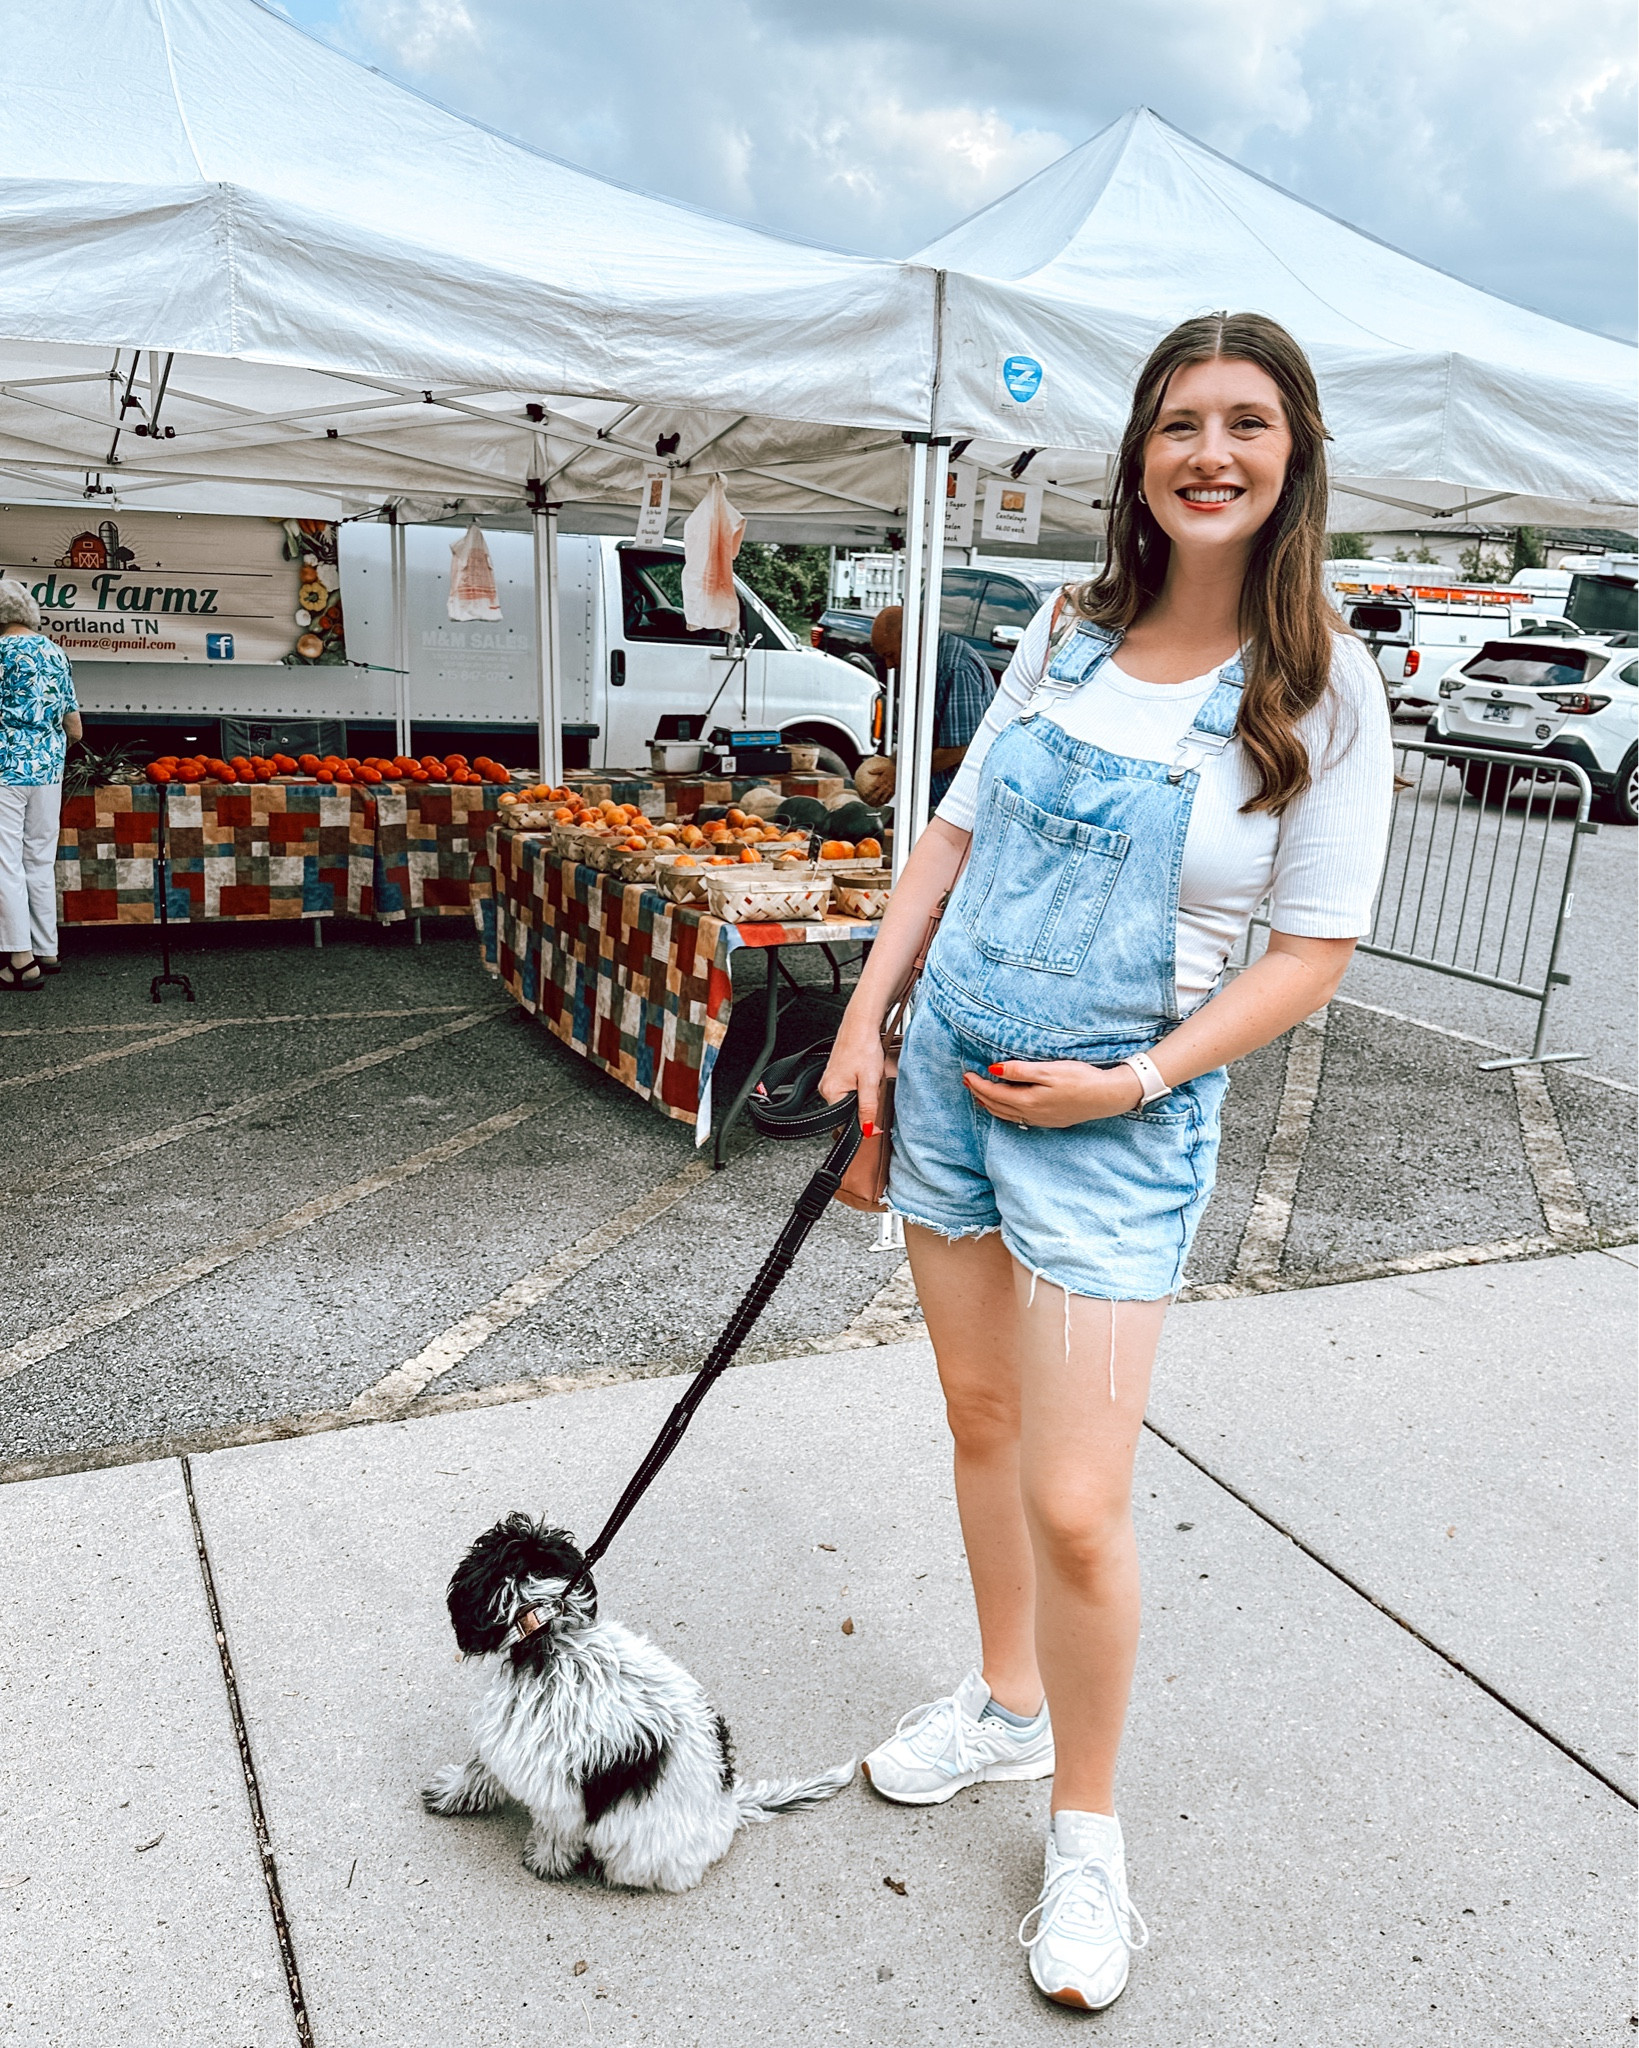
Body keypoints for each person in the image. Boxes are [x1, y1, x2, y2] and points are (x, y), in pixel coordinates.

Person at [822, 313, 1391, 2011]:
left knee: (1078, 1496)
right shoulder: (1066, 628)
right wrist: (863, 1024)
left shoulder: (1321, 685)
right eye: (1176, 423)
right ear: (1137, 454)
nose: (1206, 453)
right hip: (946, 1074)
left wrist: (1135, 1073)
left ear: (1291, 455)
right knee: (979, 1426)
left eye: (1243, 422)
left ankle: (1085, 1827)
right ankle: (1003, 1705)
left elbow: (1310, 950)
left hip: (1117, 1128)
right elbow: (950, 831)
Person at [0, 579, 80, 991]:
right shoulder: (55, 652)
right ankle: (46, 948)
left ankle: (20, 960)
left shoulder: (0, 653)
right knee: (38, 860)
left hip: (5, 769)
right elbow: (75, 728)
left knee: (5, 862)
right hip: (49, 771)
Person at [852, 604, 994, 812]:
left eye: (890, 654)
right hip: (937, 799)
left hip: (960, 804)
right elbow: (922, 733)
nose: (889, 665)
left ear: (910, 637)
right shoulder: (924, 664)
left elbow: (957, 749)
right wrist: (894, 761)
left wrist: (901, 772)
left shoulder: (954, 667)